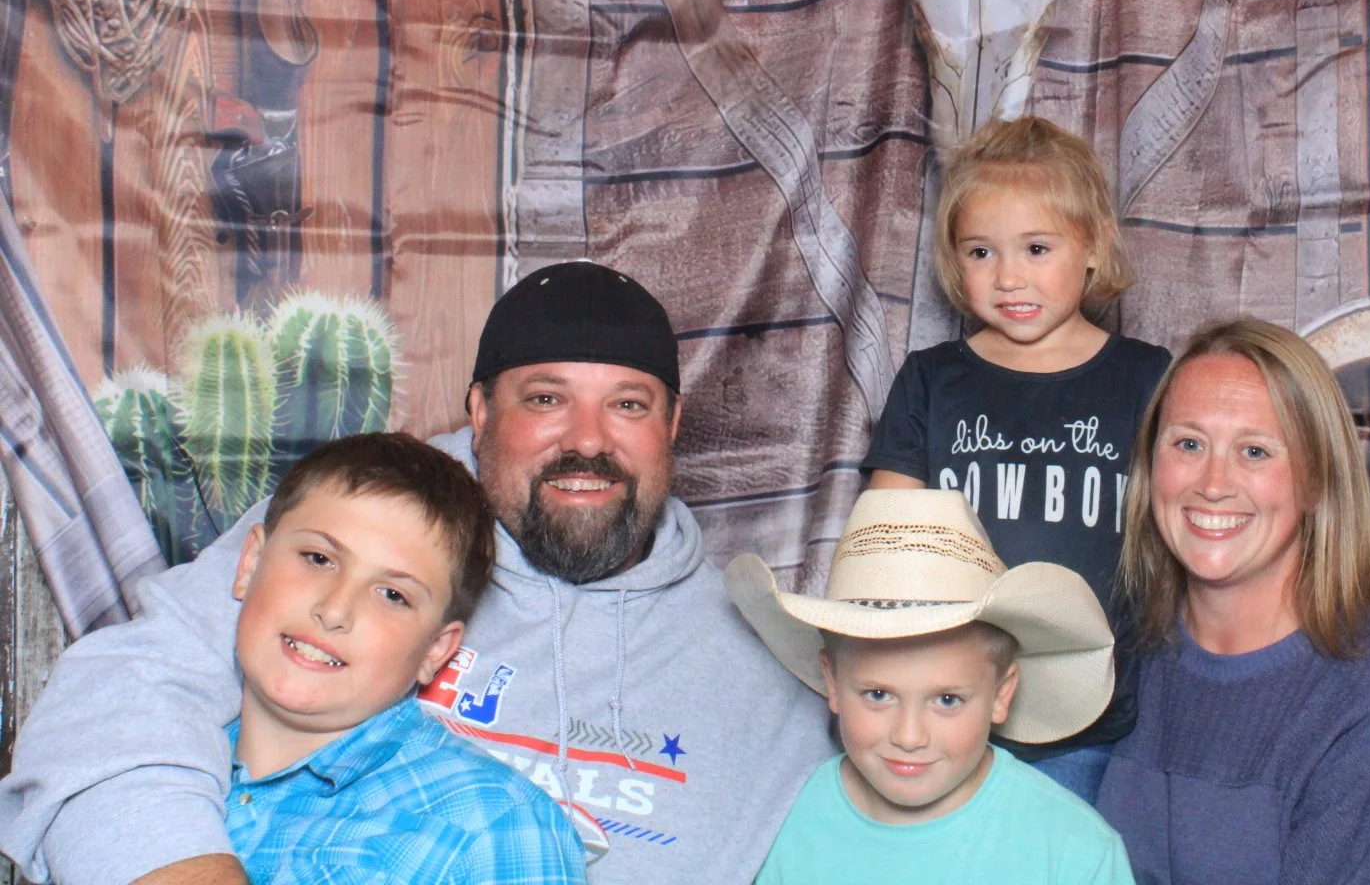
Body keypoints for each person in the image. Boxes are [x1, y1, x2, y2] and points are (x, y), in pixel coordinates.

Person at [0, 261, 833, 885]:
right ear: (478, 413)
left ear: (673, 424)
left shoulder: (766, 662)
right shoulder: (366, 528)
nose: (588, 440)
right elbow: (114, 699)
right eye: (545, 398)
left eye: (628, 404)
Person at [1096, 317, 1370, 885]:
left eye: (1255, 451)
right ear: (1150, 464)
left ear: (1316, 482)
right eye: (1188, 444)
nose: (1213, 482)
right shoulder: (1128, 651)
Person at [863, 117, 1171, 802]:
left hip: (1092, 721)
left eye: (1036, 247)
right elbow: (887, 542)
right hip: (946, 708)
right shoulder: (931, 379)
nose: (1008, 277)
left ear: (1093, 246)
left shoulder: (1147, 379)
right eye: (980, 253)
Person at [222, 432, 584, 884]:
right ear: (250, 563)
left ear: (435, 649)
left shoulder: (491, 827)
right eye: (318, 558)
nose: (335, 610)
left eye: (393, 595)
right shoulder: (147, 757)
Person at [725, 488, 1133, 884]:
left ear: (1002, 693)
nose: (909, 736)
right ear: (832, 679)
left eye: (947, 700)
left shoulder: (1073, 852)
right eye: (878, 695)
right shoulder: (777, 825)